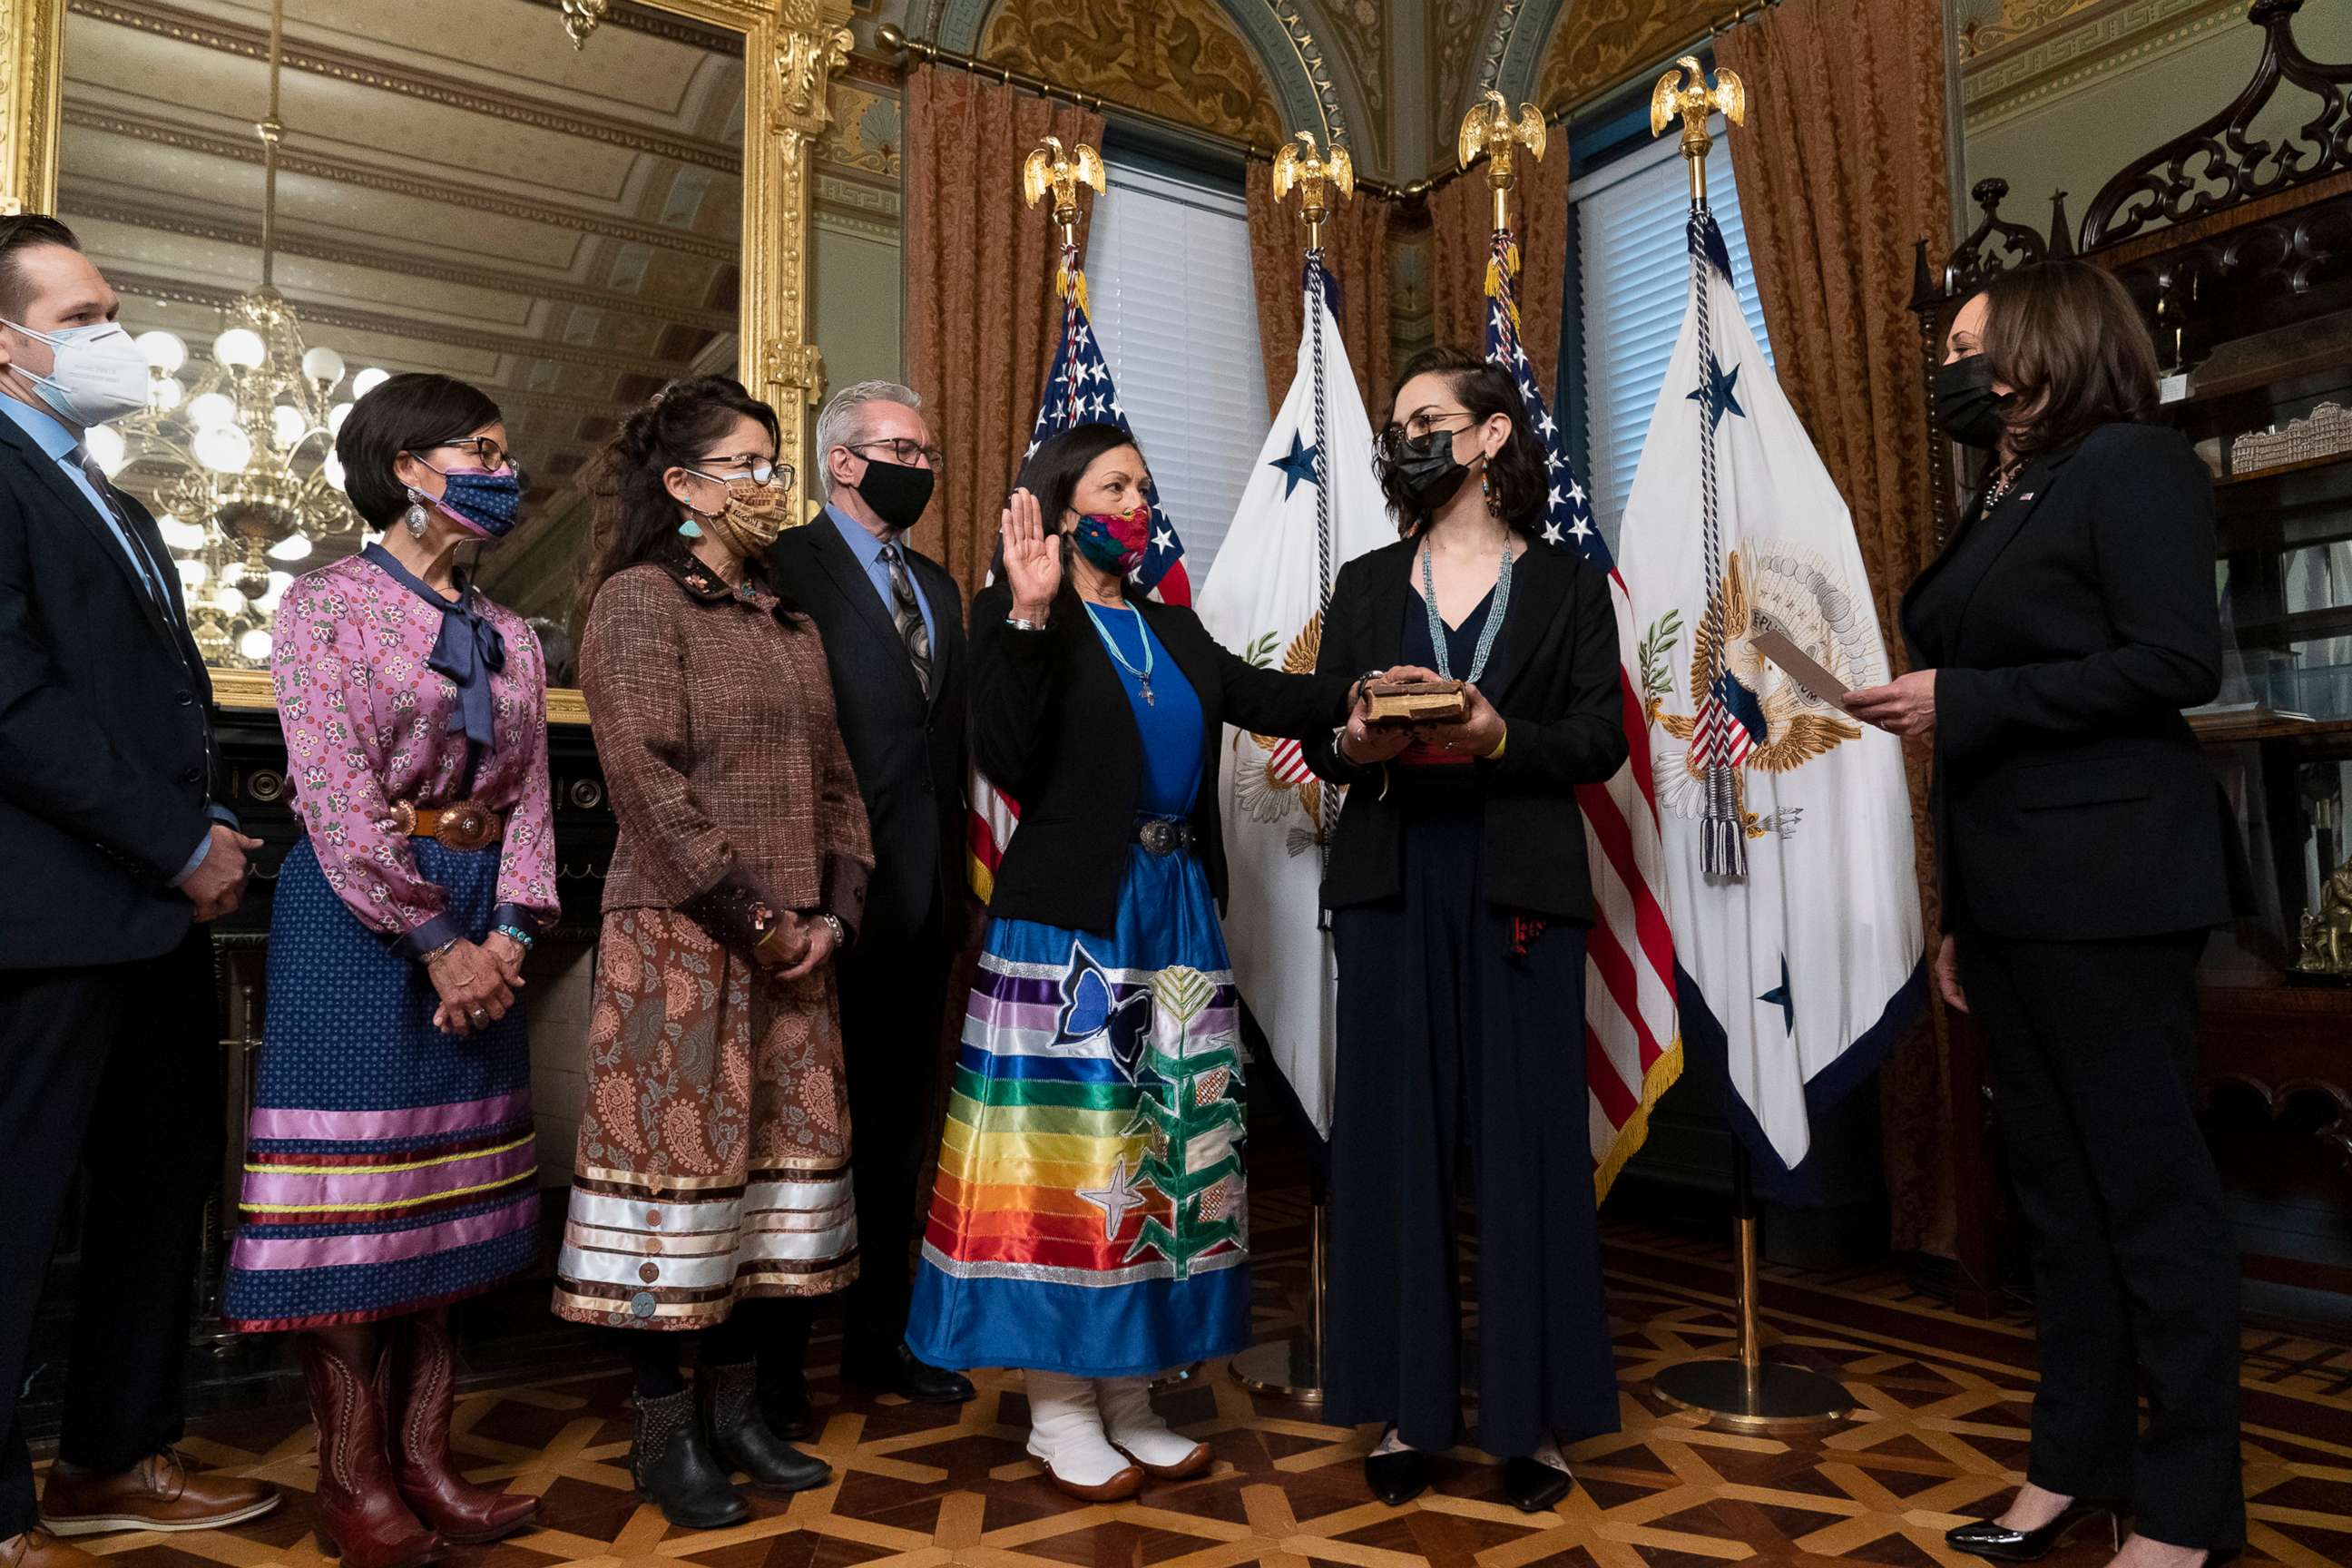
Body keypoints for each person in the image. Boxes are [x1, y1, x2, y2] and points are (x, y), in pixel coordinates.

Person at [1847, 260, 2243, 1568]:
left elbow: (2173, 662)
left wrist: (1963, 699)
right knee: (2059, 1208)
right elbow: (1976, 722)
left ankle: (2187, 1513)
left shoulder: (2133, 464)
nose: (1949, 367)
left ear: (2049, 342)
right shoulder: (2006, 492)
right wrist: (1958, 915)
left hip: (2113, 888)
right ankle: (2074, 1467)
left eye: (1972, 343)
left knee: (2148, 1202)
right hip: (2011, 899)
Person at [904, 423, 1355, 1501]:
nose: (1139, 503)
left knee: (1167, 1153)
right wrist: (1020, 612)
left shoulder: (1175, 629)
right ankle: (1059, 1408)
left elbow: (1276, 700)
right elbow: (1006, 758)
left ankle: (1136, 1395)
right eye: (1116, 485)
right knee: (1071, 1164)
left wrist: (1377, 684)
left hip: (1178, 915)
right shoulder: (1024, 623)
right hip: (1071, 923)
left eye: (1146, 487)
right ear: (1062, 507)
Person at [217, 372, 554, 1565]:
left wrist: (510, 930)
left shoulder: (511, 632)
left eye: (505, 452)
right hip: (360, 928)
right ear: (409, 465)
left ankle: (427, 1459)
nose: (501, 470)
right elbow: (334, 796)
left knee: (443, 1205)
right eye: (479, 449)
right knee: (356, 1208)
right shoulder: (325, 609)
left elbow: (531, 800)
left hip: (482, 920)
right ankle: (351, 1479)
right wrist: (437, 942)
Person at [1304, 344, 1626, 1514]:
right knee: (1393, 1143)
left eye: (1430, 419)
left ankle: (1531, 1422)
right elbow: (1331, 732)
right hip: (1393, 877)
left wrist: (1498, 738)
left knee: (1531, 1146)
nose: (1409, 439)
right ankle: (1406, 1409)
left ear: (1491, 437)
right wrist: (1358, 742)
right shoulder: (1363, 579)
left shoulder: (1569, 585)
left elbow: (1601, 740)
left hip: (1519, 884)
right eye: (1399, 425)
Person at [0, 215, 279, 1568]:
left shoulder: (117, 501)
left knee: (159, 1193)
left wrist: (212, 820)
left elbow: (167, 700)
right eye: (86, 314)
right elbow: (14, 704)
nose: (114, 338)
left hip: (155, 910)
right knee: (16, 1206)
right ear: (8, 342)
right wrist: (174, 846)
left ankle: (116, 1454)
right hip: (45, 913)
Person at [553, 376, 871, 1529]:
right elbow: (646, 782)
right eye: (748, 465)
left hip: (795, 948)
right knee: (677, 1190)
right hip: (683, 944)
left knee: (774, 1197)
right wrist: (758, 917)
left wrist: (830, 917)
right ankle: (662, 1431)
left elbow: (840, 786)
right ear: (682, 486)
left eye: (774, 462)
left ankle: (740, 1413)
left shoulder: (788, 620)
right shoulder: (640, 604)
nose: (768, 484)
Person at [767, 381, 973, 1416]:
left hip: (925, 902)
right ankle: (772, 1375)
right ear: (842, 460)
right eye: (904, 448)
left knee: (897, 1134)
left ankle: (878, 1344)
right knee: (797, 1140)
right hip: (812, 905)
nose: (923, 466)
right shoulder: (779, 570)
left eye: (930, 451)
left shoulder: (938, 587)